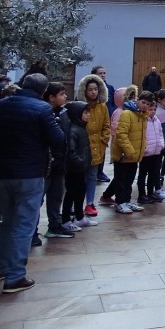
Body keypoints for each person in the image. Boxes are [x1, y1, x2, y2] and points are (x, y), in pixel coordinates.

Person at [0, 73, 64, 292]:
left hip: (0, 172)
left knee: (6, 220)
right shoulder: (42, 109)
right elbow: (57, 139)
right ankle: (15, 276)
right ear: (43, 90)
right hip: (29, 173)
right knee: (24, 224)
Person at [42, 83, 76, 238]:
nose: (65, 96)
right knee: (38, 200)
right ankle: (32, 233)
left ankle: (55, 225)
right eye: (62, 94)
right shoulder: (43, 113)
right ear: (51, 97)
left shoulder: (63, 112)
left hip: (60, 163)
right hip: (46, 164)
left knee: (56, 196)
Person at [112, 91, 154, 215]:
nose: (145, 106)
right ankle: (120, 202)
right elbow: (122, 135)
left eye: (148, 104)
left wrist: (141, 149)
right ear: (137, 100)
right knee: (121, 179)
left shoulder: (142, 116)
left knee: (129, 179)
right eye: (143, 102)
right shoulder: (127, 114)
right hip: (124, 155)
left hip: (135, 155)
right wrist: (129, 150)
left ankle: (127, 200)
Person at [76, 72, 110, 218]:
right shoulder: (79, 107)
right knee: (78, 178)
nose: (93, 92)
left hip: (97, 147)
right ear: (85, 90)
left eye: (96, 89)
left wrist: (103, 140)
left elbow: (107, 126)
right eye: (90, 89)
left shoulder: (102, 107)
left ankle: (90, 203)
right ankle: (75, 204)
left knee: (92, 177)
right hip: (82, 147)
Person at [60, 102, 96, 229]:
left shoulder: (81, 127)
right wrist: (80, 162)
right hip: (74, 169)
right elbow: (71, 151)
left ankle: (79, 217)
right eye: (85, 113)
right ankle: (65, 220)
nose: (88, 115)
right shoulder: (73, 130)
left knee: (80, 192)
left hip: (81, 168)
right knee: (71, 193)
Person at [136, 93, 165, 205]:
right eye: (150, 109)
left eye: (154, 109)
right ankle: (141, 194)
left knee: (154, 173)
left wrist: (161, 144)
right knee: (143, 174)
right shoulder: (143, 121)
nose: (152, 111)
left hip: (157, 152)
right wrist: (145, 148)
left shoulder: (157, 121)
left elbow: (160, 133)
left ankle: (150, 192)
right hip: (146, 153)